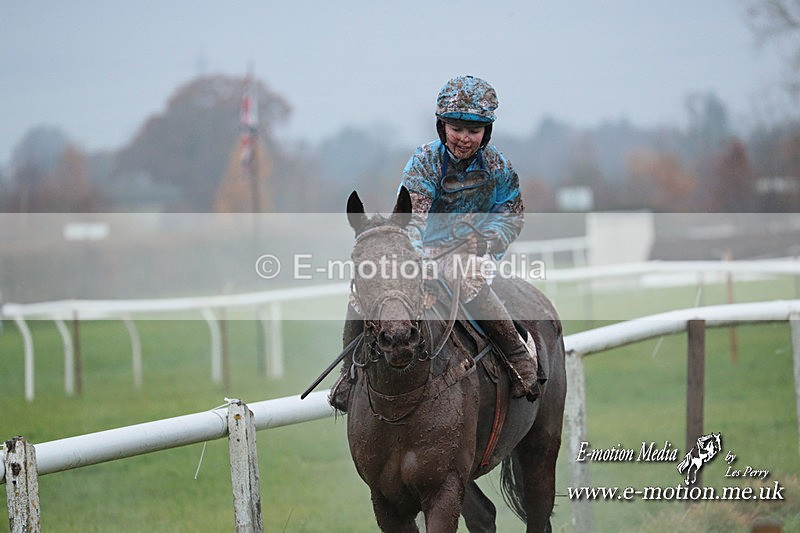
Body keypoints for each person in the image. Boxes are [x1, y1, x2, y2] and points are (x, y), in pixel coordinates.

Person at [329, 75, 538, 412]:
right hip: (419, 252)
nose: (465, 138)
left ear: (487, 132)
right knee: (364, 285)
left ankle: (517, 356)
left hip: (470, 253)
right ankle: (347, 374)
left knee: (464, 274)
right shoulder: (424, 162)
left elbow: (511, 215)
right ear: (442, 127)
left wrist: (485, 241)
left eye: (474, 130)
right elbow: (411, 219)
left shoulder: (499, 167)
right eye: (457, 128)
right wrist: (417, 267)